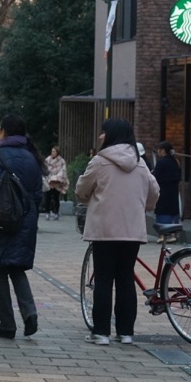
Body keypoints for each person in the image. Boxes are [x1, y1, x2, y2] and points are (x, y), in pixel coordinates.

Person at [76, 118, 160, 345]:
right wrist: (143, 205)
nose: (101, 136)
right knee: (125, 278)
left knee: (103, 279)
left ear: (111, 135)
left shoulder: (100, 161)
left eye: (103, 132)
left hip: (104, 230)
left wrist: (87, 198)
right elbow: (154, 193)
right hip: (132, 231)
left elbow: (82, 190)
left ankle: (101, 333)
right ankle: (125, 333)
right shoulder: (140, 164)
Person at [0, 114, 44, 339]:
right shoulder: (33, 156)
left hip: (1, 218)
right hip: (26, 218)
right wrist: (28, 215)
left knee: (0, 270)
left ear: (4, 131)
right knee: (17, 268)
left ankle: (7, 324)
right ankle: (30, 313)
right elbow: (37, 194)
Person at [152, 142, 182, 242]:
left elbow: (155, 176)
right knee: (173, 210)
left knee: (163, 211)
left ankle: (163, 235)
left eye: (159, 149)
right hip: (173, 190)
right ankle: (173, 234)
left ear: (163, 150)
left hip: (163, 190)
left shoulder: (161, 162)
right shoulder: (175, 161)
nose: (158, 152)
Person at [42, 146, 69, 221]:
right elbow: (45, 168)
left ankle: (56, 213)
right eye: (52, 151)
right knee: (47, 198)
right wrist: (49, 177)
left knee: (56, 198)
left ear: (57, 152)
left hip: (57, 182)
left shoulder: (61, 161)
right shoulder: (47, 159)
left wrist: (56, 178)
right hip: (49, 181)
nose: (52, 153)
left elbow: (63, 171)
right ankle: (47, 212)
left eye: (54, 151)